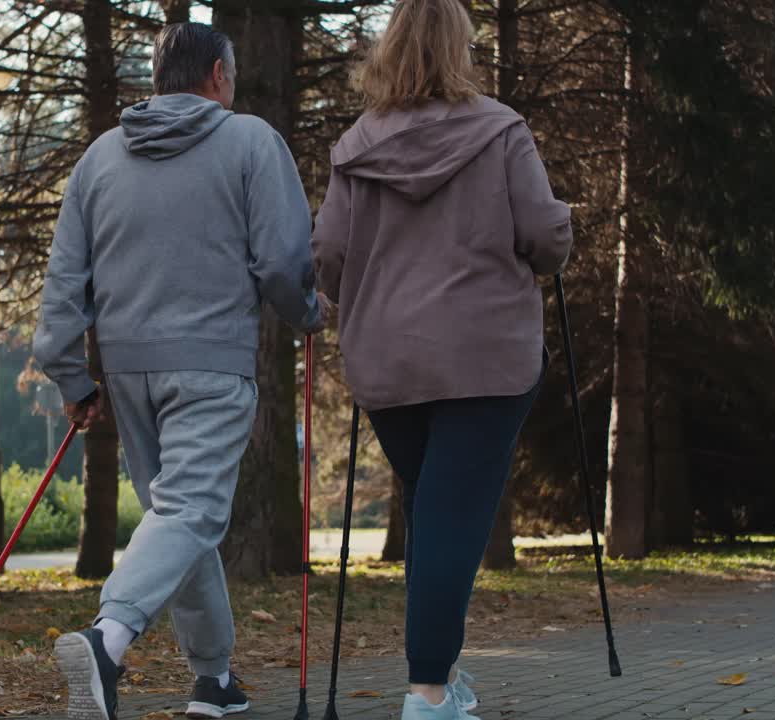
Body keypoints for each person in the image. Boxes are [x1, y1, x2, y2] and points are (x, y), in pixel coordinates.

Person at [33, 22, 325, 720]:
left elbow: (62, 286)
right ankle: (108, 641)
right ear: (219, 77)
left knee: (179, 520)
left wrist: (73, 378)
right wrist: (309, 313)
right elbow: (284, 264)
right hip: (214, 364)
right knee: (190, 512)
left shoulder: (99, 159)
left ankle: (213, 680)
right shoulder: (252, 141)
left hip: (128, 372)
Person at [311, 0, 573, 717]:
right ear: (461, 48)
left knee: (437, 511)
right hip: (486, 360)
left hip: (389, 365)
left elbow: (328, 254)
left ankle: (442, 681)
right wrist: (560, 228)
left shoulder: (358, 146)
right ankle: (427, 694)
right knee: (452, 518)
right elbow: (545, 240)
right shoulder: (500, 131)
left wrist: (356, 292)